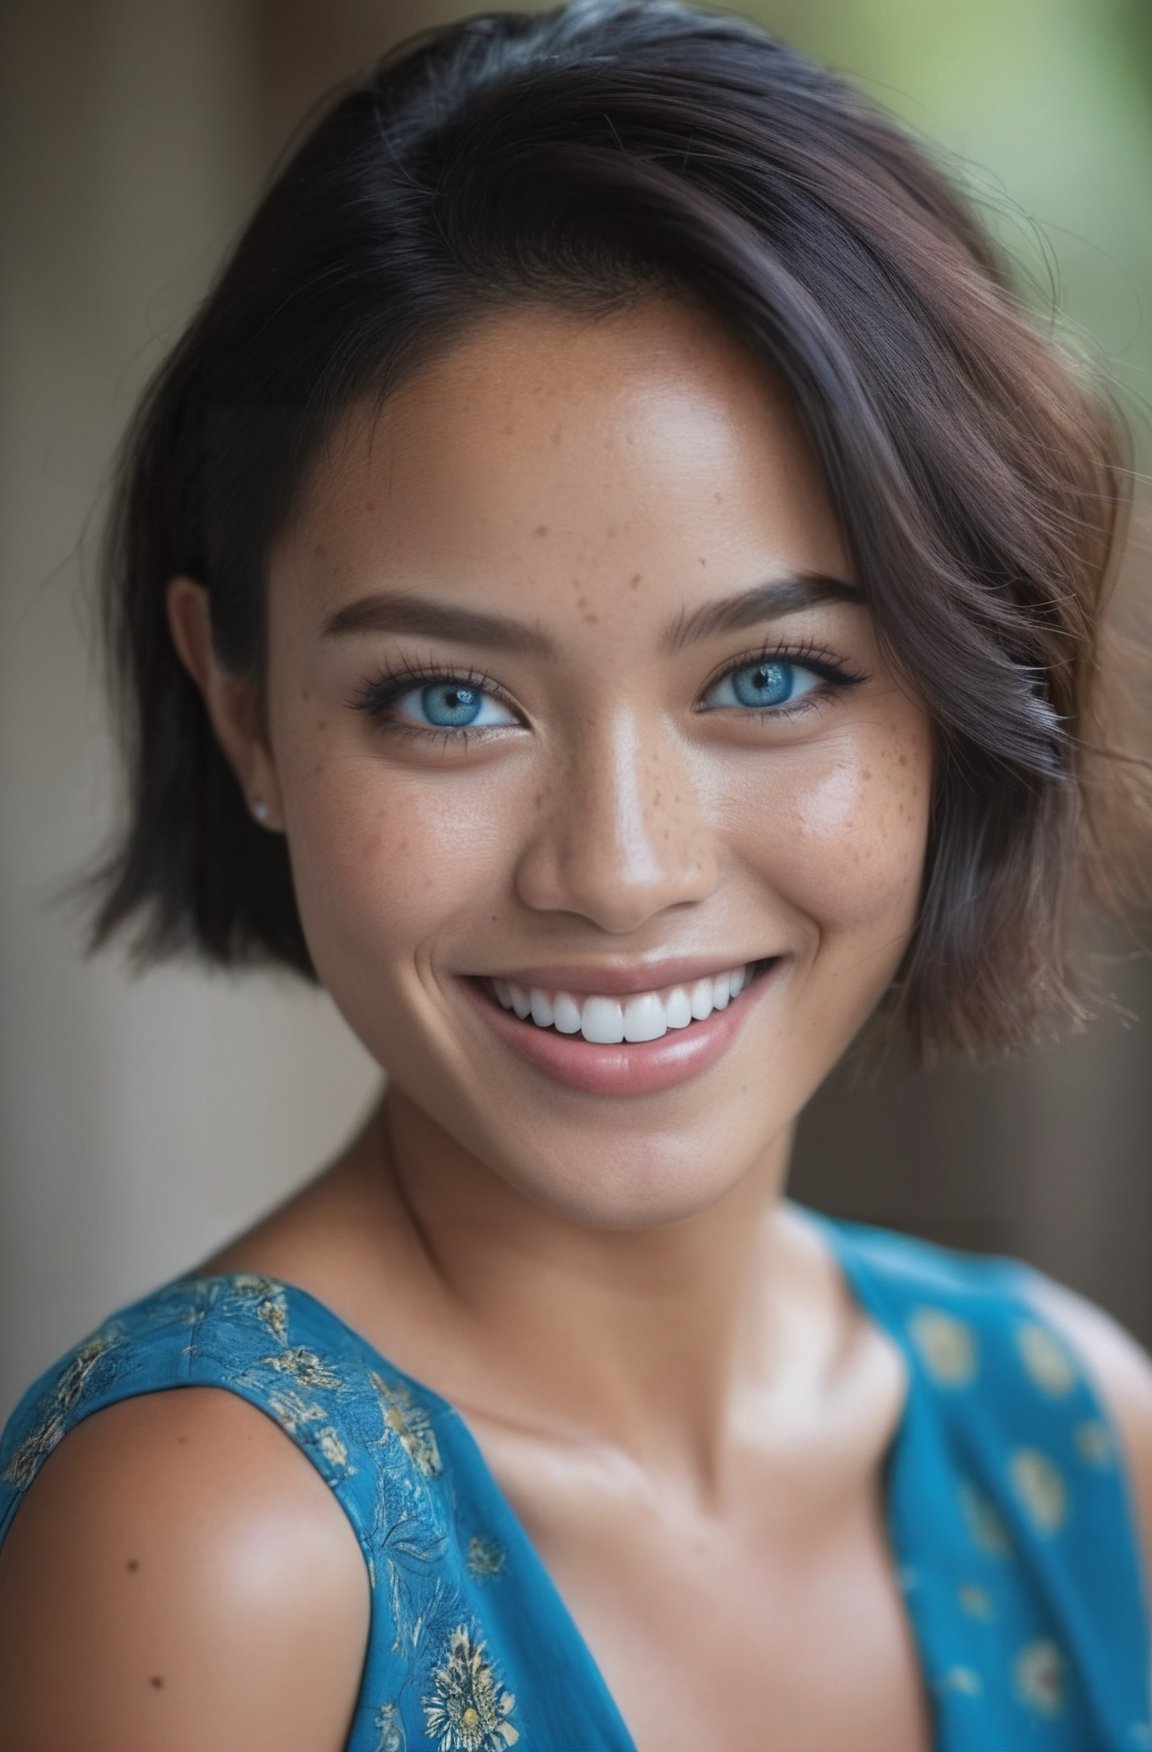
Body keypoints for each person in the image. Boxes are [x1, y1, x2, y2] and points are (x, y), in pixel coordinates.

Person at [1, 1, 1150, 1746]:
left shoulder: (1076, 1437)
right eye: (448, 699)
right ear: (240, 710)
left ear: (960, 679)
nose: (618, 871)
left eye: (769, 679)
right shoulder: (208, 1540)